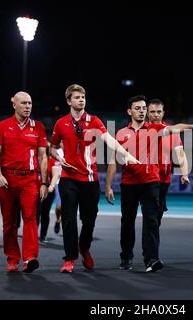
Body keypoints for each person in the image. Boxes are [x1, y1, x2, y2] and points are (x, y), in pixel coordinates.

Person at [105, 95, 193, 272]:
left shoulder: (155, 129)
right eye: (138, 108)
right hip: (129, 183)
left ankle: (151, 260)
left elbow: (175, 128)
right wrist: (108, 186)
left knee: (152, 221)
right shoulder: (120, 133)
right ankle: (126, 257)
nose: (142, 111)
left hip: (151, 181)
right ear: (129, 111)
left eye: (143, 108)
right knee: (127, 222)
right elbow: (113, 161)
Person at [50, 84, 139, 273]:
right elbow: (52, 147)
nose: (81, 100)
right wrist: (59, 157)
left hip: (90, 180)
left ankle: (84, 247)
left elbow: (110, 140)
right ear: (68, 101)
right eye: (77, 97)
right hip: (68, 178)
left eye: (83, 97)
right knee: (68, 219)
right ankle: (70, 258)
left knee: (89, 220)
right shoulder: (61, 123)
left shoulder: (94, 121)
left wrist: (126, 154)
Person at [0, 91, 48, 273]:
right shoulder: (3, 126)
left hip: (30, 180)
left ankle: (30, 258)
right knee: (9, 222)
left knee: (30, 217)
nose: (27, 107)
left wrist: (44, 183)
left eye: (30, 103)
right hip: (7, 180)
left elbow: (43, 157)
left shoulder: (38, 127)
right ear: (14, 104)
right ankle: (12, 258)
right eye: (24, 103)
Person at [147, 99, 190, 226]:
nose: (156, 114)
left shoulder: (172, 132)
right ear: (147, 113)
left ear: (163, 113)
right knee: (150, 213)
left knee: (157, 217)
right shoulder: (142, 130)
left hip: (163, 179)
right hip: (146, 179)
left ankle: (152, 241)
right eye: (152, 112)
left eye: (158, 111)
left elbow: (180, 154)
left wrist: (185, 173)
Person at [37, 143, 61, 243]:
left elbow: (55, 175)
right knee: (35, 214)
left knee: (44, 213)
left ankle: (43, 235)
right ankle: (33, 235)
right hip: (34, 190)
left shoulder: (52, 161)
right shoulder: (34, 161)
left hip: (48, 191)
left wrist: (51, 185)